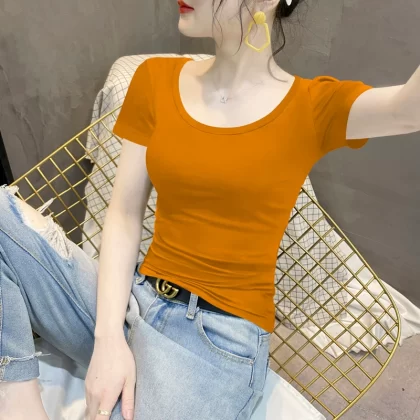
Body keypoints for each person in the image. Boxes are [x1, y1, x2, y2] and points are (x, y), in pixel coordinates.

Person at [1, 0, 419, 419]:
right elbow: (124, 214)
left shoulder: (313, 106)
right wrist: (108, 339)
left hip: (216, 342)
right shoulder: (155, 79)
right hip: (131, 299)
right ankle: (18, 402)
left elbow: (407, 110)